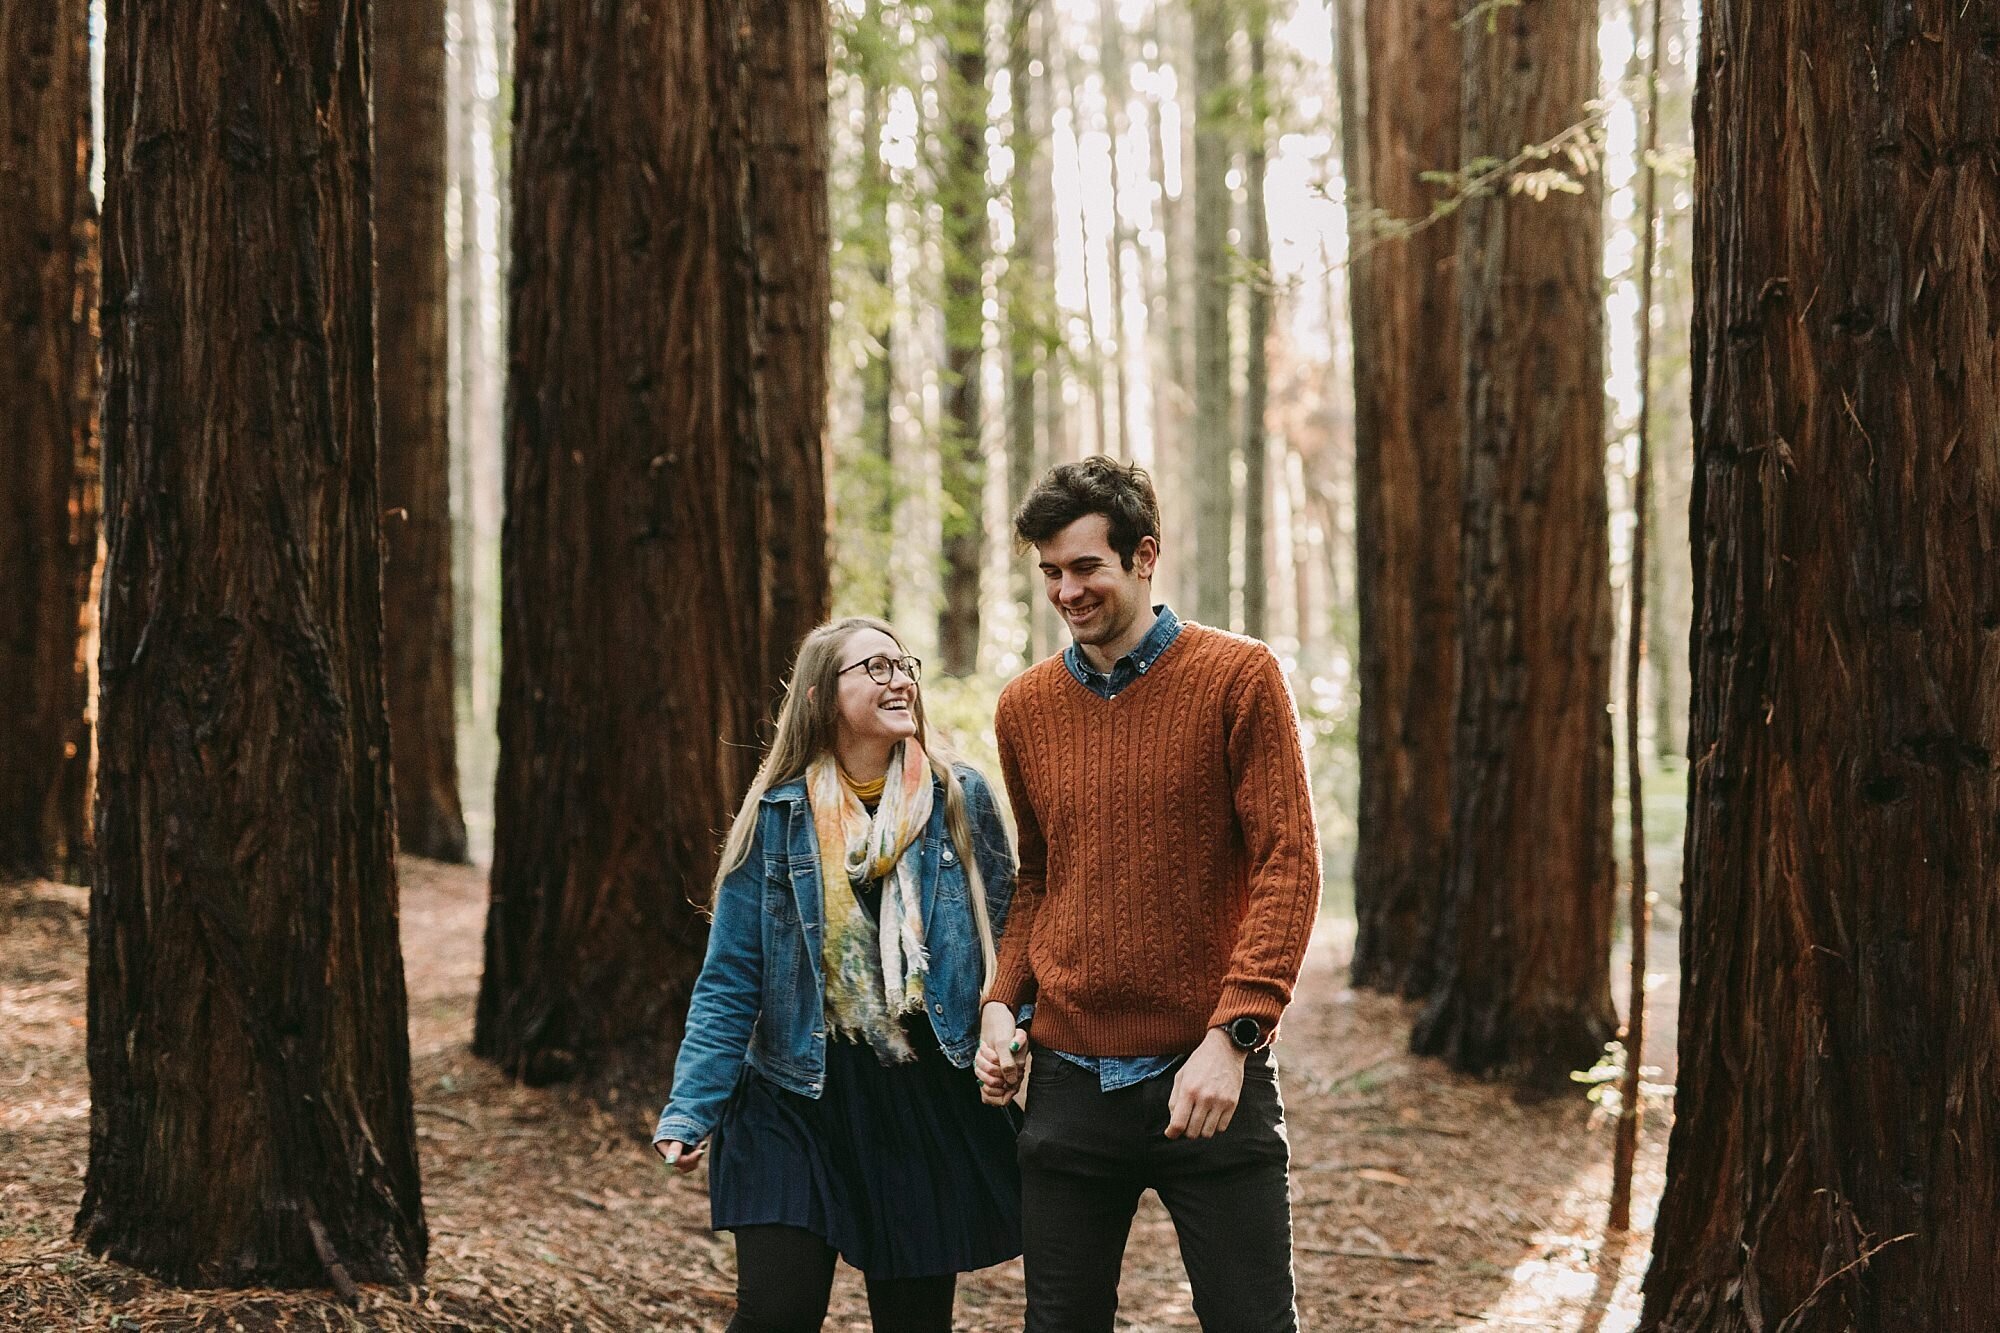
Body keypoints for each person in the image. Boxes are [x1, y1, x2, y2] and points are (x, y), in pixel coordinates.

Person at [975, 456, 1322, 1332]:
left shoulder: (1239, 678)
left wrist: (1235, 1034)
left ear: (1143, 556)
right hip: (1067, 1084)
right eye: (1050, 571)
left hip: (1208, 1077)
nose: (1066, 590)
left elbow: (1289, 862)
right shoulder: (1024, 706)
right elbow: (1039, 876)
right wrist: (999, 1003)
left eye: (1085, 566)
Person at [654, 617, 1023, 1333]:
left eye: (903, 664)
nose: (899, 679)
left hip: (918, 1094)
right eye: (875, 668)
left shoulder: (958, 797)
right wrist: (692, 1105)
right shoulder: (778, 816)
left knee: (913, 1321)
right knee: (777, 1312)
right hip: (794, 1092)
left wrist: (1012, 1034)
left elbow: (1012, 936)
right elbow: (731, 977)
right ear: (824, 697)